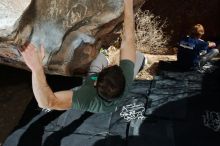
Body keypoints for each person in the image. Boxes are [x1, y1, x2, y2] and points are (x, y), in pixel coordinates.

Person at [18, 0, 145, 113]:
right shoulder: (125, 79)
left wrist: (37, 69)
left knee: (99, 59)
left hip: (95, 96)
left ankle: (101, 60)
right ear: (124, 80)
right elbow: (128, 40)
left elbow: (47, 102)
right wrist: (128, 4)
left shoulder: (86, 98)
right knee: (138, 56)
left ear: (95, 83)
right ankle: (135, 62)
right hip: (110, 93)